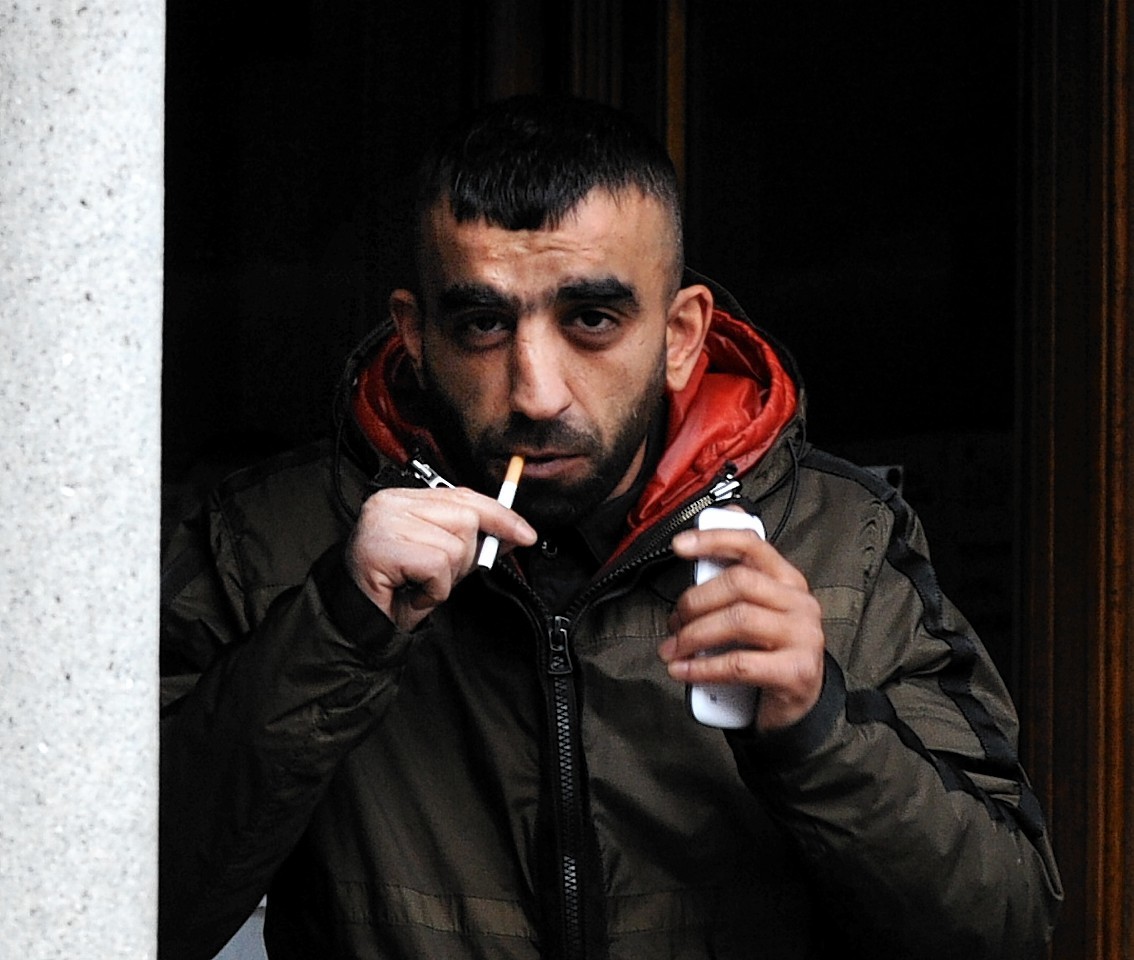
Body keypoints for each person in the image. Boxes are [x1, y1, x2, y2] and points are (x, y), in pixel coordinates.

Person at [159, 95, 1062, 960]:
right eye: (481, 323)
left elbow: (1006, 929)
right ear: (415, 333)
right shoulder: (264, 543)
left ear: (680, 335)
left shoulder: (839, 541)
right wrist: (334, 631)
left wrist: (816, 727)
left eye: (591, 318)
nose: (537, 392)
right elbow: (110, 914)